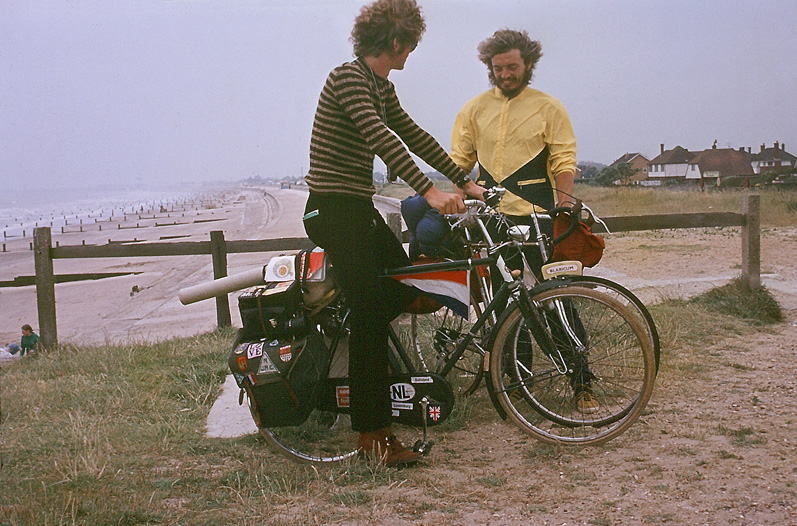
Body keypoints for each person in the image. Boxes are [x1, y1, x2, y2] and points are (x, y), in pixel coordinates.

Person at [302, 0, 484, 466]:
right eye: (411, 45)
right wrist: (429, 191)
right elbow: (382, 138)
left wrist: (461, 180)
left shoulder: (381, 86)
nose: (411, 54)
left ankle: (378, 387)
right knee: (370, 312)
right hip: (331, 209)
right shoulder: (348, 78)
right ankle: (374, 436)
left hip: (355, 209)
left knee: (402, 284)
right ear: (397, 41)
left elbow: (413, 134)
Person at [450, 29, 598, 413]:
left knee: (555, 300)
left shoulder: (549, 107)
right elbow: (457, 163)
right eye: (498, 68)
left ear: (528, 63)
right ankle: (518, 382)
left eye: (512, 67)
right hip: (491, 221)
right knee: (505, 305)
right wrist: (458, 193)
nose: (505, 74)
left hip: (537, 219)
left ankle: (582, 382)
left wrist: (563, 207)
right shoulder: (474, 109)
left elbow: (563, 159)